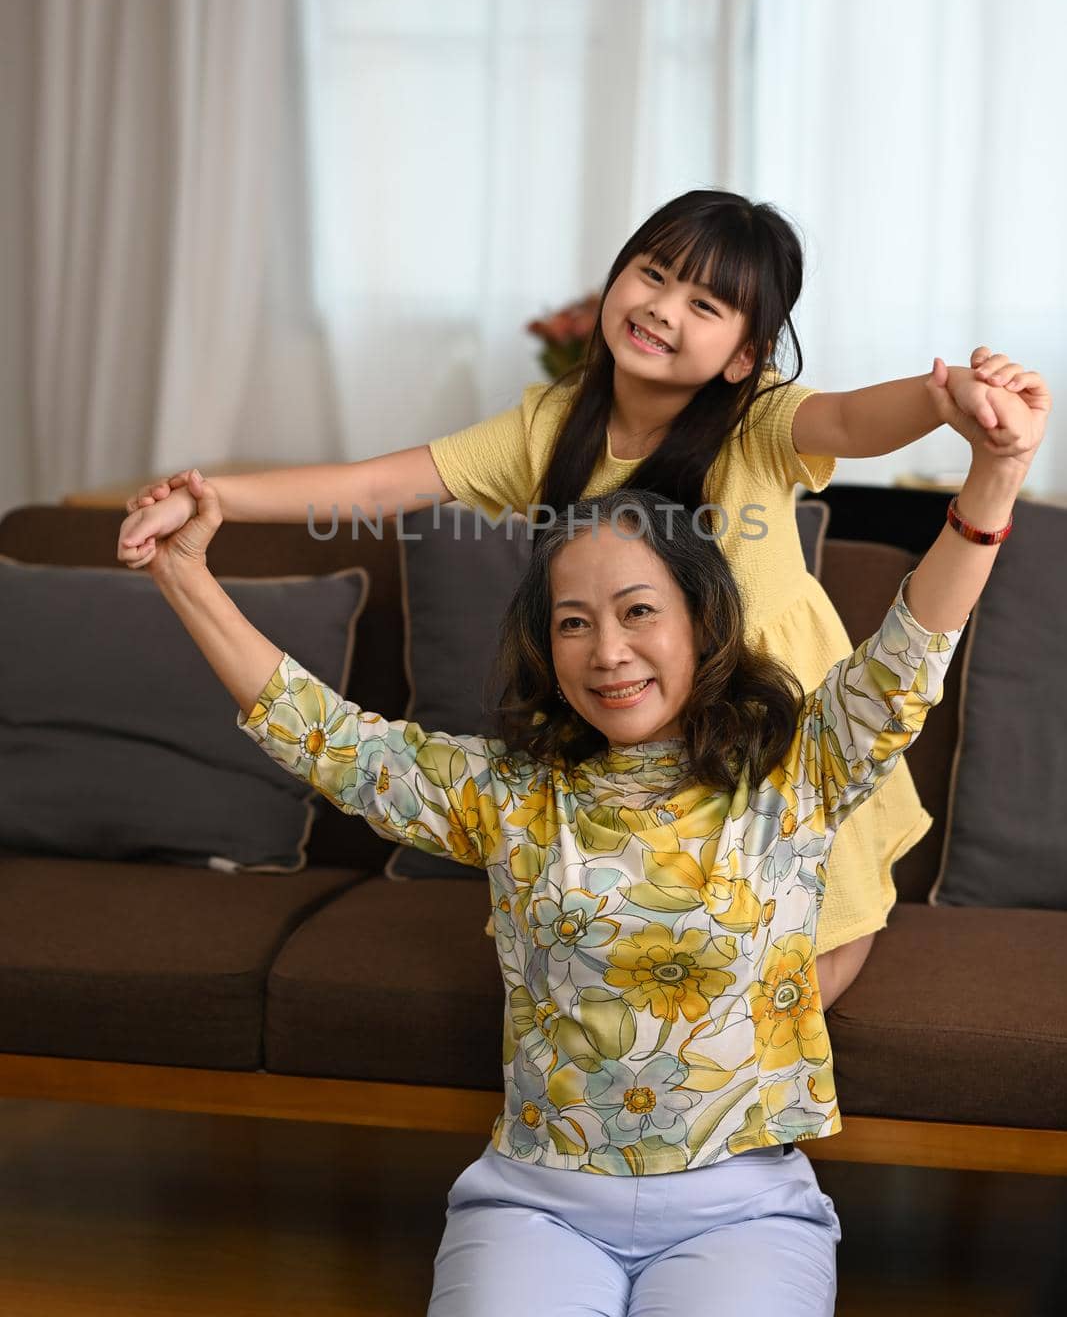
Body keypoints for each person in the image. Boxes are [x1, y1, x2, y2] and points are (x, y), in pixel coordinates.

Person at [142, 357, 1047, 1315]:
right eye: (573, 623)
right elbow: (326, 737)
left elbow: (913, 645)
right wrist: (183, 571)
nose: (607, 651)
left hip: (744, 1213)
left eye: (638, 613)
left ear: (704, 622)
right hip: (533, 1207)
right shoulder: (510, 790)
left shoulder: (798, 767)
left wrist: (994, 473)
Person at [116, 189, 1044, 1010]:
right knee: (630, 944)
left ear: (742, 354)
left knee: (800, 951)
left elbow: (850, 418)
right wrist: (218, 498)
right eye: (652, 274)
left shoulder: (756, 419)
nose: (662, 308)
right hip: (630, 732)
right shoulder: (551, 424)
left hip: (777, 726)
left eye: (704, 303)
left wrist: (950, 397)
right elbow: (371, 487)